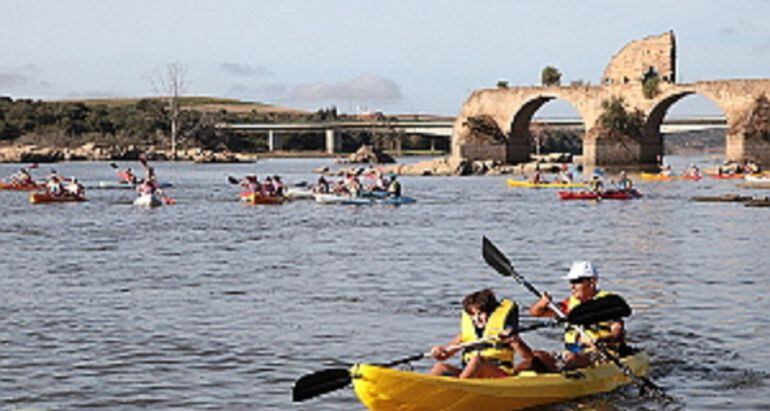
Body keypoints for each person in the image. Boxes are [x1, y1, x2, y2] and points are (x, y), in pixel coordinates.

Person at [529, 261, 628, 370]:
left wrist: (602, 340)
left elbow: (618, 332)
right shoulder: (569, 305)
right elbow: (536, 312)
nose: (572, 286)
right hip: (572, 352)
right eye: (571, 282)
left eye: (577, 281)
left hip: (601, 354)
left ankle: (560, 375)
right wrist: (542, 303)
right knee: (535, 356)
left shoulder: (607, 303)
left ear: (592, 282)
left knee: (573, 358)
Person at [429, 289, 519, 378]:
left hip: (499, 374)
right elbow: (444, 355)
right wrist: (438, 351)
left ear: (491, 313)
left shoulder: (506, 333)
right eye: (472, 315)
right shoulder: (465, 335)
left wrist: (512, 339)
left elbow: (528, 357)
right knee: (440, 367)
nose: (477, 319)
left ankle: (461, 388)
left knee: (477, 360)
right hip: (472, 373)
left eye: (480, 314)